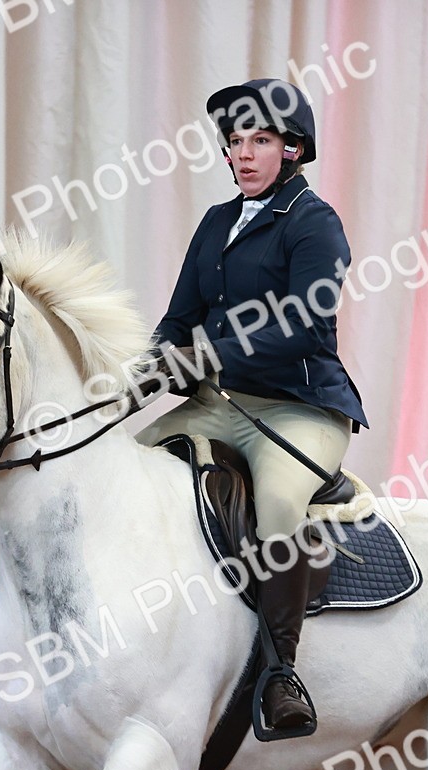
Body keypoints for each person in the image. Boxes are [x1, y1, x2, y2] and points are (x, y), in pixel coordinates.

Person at [136, 78, 368, 731]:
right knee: (129, 472)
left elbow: (299, 323)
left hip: (298, 409)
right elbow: (180, 317)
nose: (241, 154)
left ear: (293, 149)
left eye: (259, 141)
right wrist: (150, 362)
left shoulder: (315, 223)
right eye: (235, 141)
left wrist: (206, 356)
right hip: (217, 404)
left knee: (278, 505)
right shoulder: (216, 222)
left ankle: (280, 673)